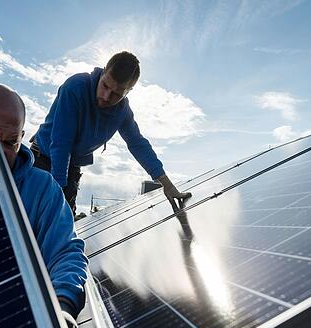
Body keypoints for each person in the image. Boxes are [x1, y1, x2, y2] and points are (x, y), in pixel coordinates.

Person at [0, 83, 86, 328]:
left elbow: (65, 252)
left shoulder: (42, 190)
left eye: (9, 142)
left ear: (22, 137)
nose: (0, 151)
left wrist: (62, 307)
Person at [31, 51, 191, 214]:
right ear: (103, 71)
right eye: (105, 85)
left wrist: (167, 184)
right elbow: (61, 142)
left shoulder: (123, 112)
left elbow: (137, 144)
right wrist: (58, 192)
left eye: (116, 94)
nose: (106, 97)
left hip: (72, 166)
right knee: (38, 217)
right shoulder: (76, 87)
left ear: (128, 91)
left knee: (62, 227)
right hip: (43, 158)